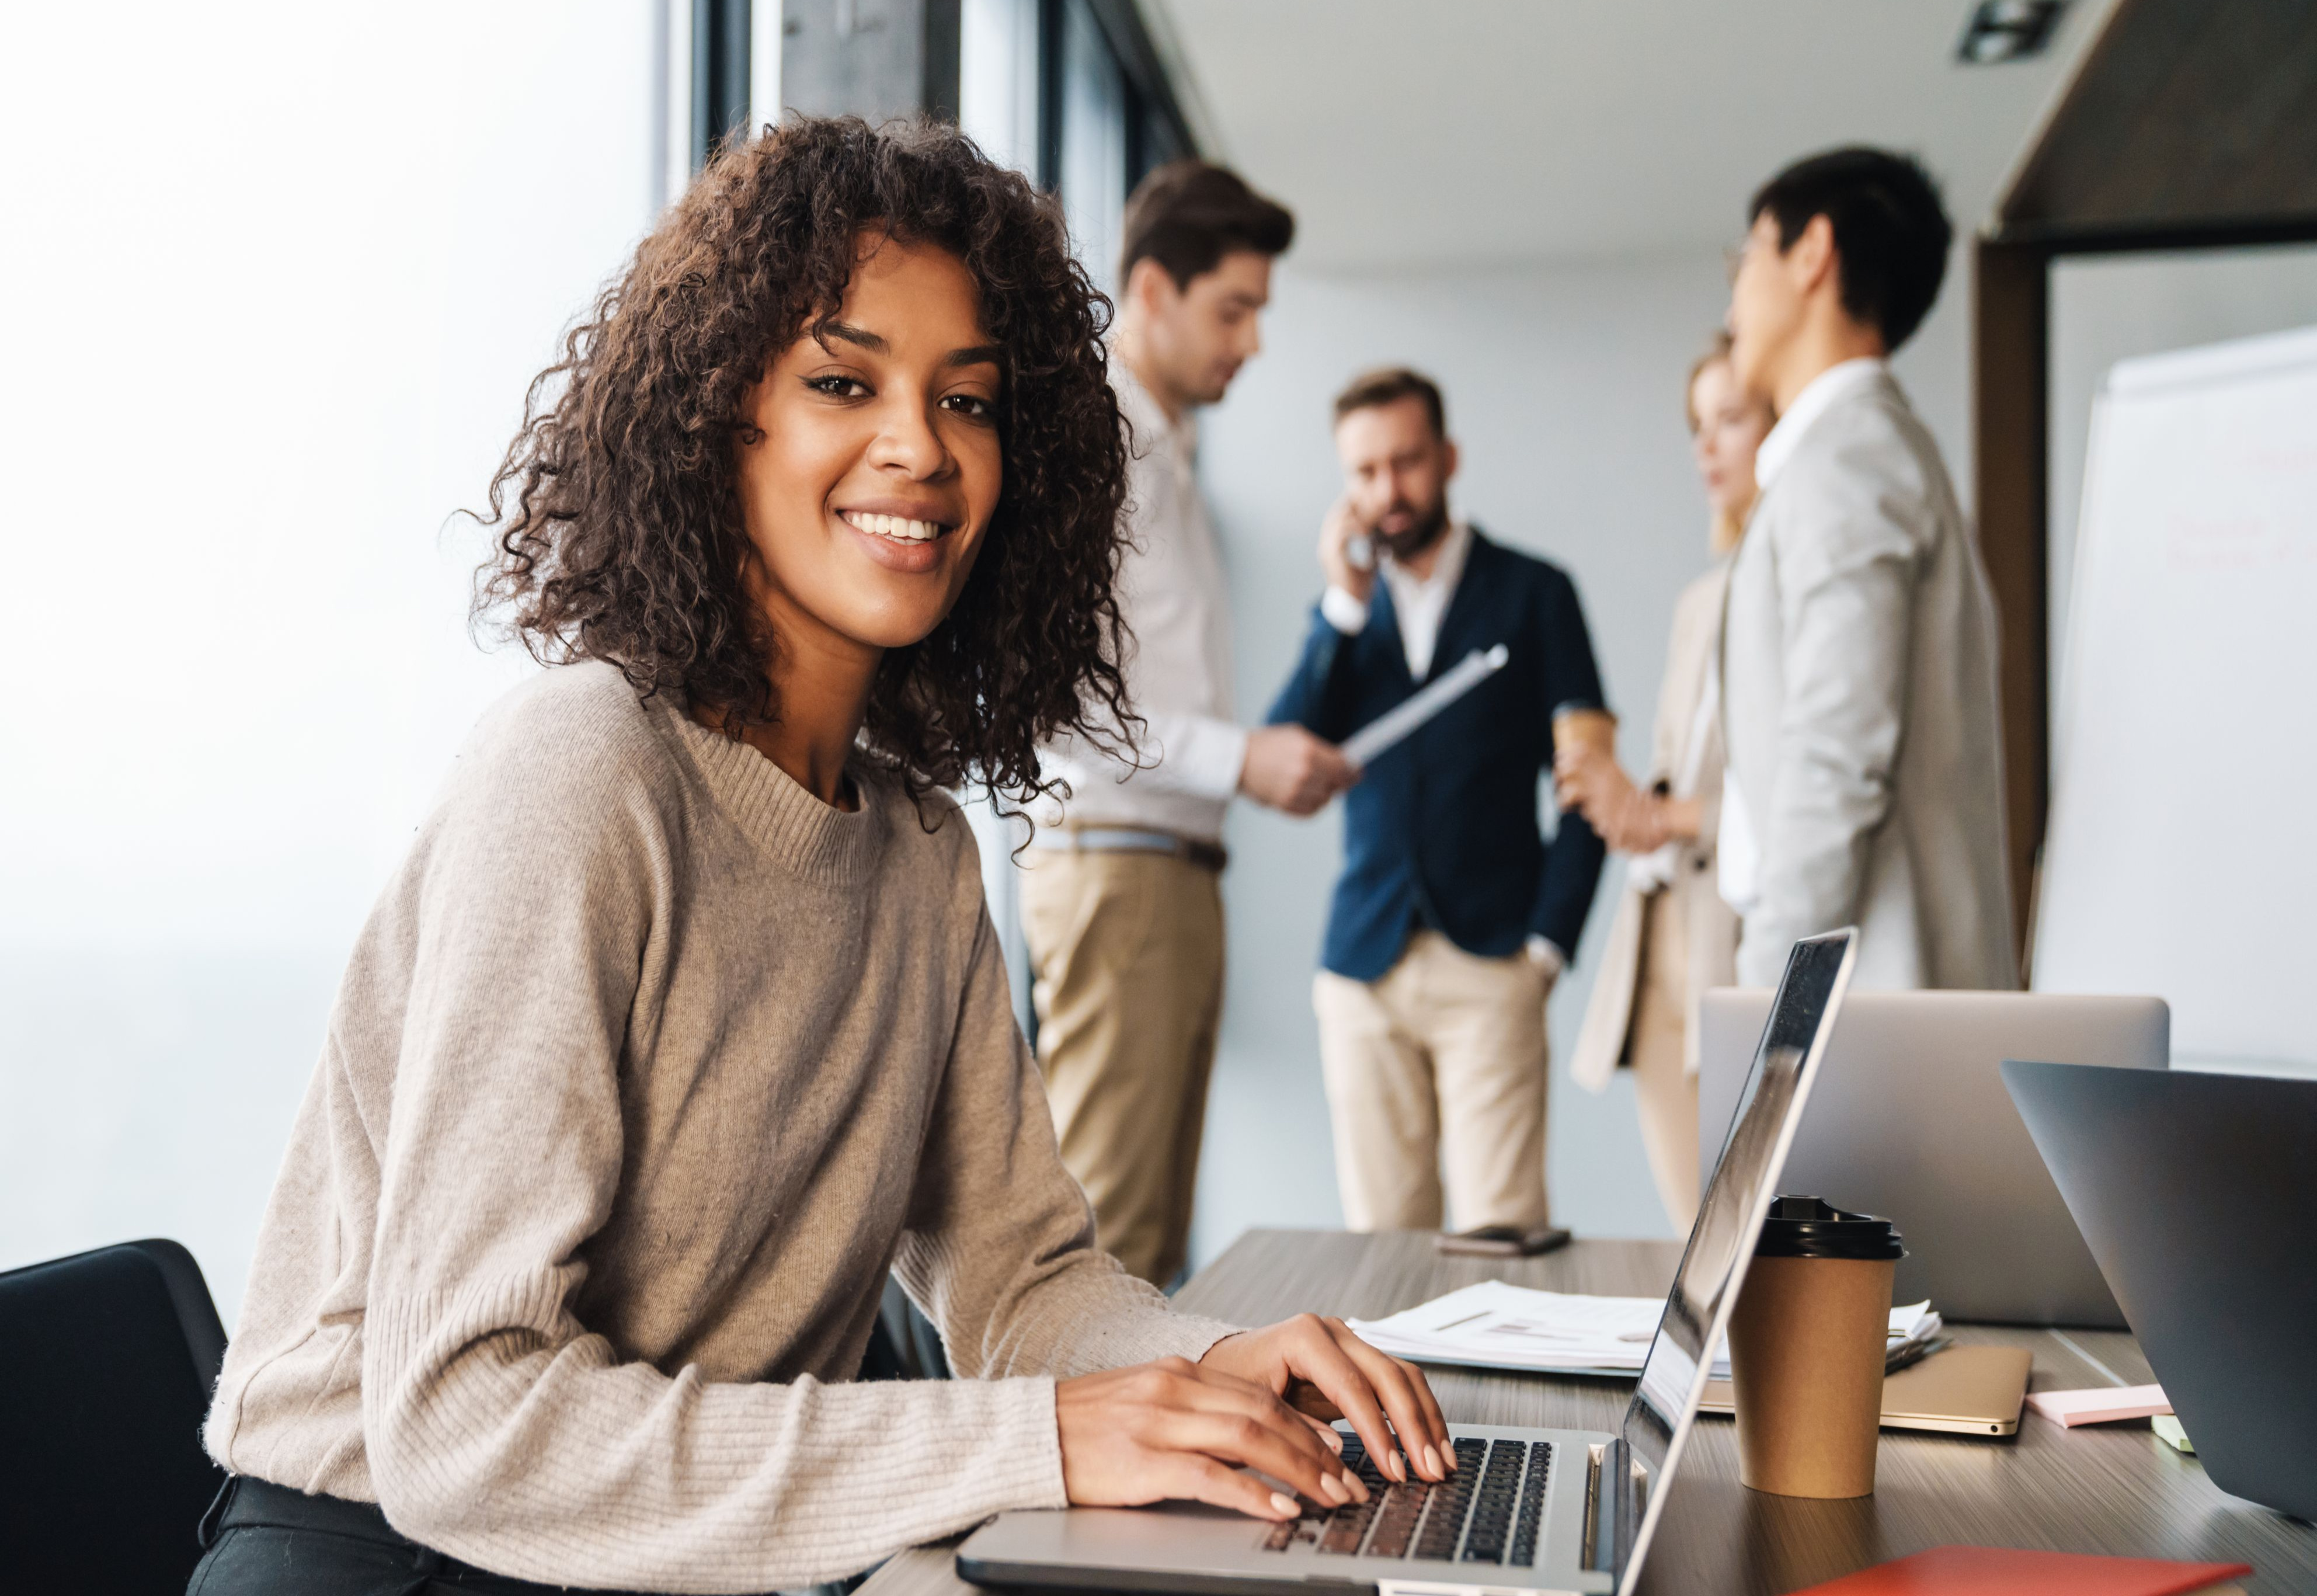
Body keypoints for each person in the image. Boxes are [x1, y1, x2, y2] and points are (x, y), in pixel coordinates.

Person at [188, 120, 1453, 1596]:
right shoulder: (585, 769)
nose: (919, 447)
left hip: (676, 1552)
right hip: (399, 1556)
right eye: (843, 382)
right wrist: (1035, 1441)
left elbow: (1021, 1281)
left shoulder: (920, 849)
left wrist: (1214, 1370)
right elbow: (463, 1421)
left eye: (967, 400)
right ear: (721, 415)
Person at [1022, 161, 1350, 1288]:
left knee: (1146, 1249)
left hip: (1163, 871)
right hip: (1123, 869)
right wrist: (1241, 757)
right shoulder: (1103, 436)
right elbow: (1056, 705)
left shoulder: (1163, 445)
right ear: (1152, 290)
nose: (1253, 341)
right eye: (1235, 308)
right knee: (1104, 1254)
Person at [1268, 368, 1607, 1238]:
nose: (1389, 490)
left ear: (1447, 457)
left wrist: (1546, 947)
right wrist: (1340, 609)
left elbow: (1588, 783)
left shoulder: (1537, 594)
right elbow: (1280, 757)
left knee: (1503, 1238)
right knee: (1383, 1247)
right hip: (1363, 967)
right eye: (1365, 472)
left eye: (1407, 461)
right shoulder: (1345, 617)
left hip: (1493, 961)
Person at [1717, 147, 2017, 992]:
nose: (1733, 298)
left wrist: (1765, 984)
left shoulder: (1849, 458)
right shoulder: (1866, 451)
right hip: (1874, 991)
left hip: (1865, 999)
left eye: (1745, 260)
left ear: (1812, 253)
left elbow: (1838, 751)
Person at [1558, 335, 1771, 1236]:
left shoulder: (1797, 589)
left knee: (1755, 1237)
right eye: (1697, 426)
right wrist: (1619, 794)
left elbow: (1804, 801)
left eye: (1731, 419)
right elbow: (1678, 775)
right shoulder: (1701, 600)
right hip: (1656, 949)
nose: (1707, 448)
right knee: (1697, 1237)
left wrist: (1664, 813)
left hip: (1739, 943)